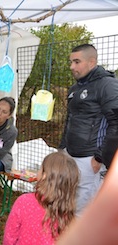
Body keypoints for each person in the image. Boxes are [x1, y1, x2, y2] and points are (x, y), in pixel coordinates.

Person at [58, 44, 118, 216]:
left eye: (77, 62)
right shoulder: (75, 89)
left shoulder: (108, 85)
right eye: (71, 62)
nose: (72, 67)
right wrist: (63, 149)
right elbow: (69, 120)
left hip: (90, 159)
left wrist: (100, 156)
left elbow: (116, 123)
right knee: (67, 201)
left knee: (83, 210)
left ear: (92, 62)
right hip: (70, 155)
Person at [3, 152, 79, 245]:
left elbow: (9, 238)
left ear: (44, 176)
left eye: (40, 168)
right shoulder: (69, 217)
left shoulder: (24, 202)